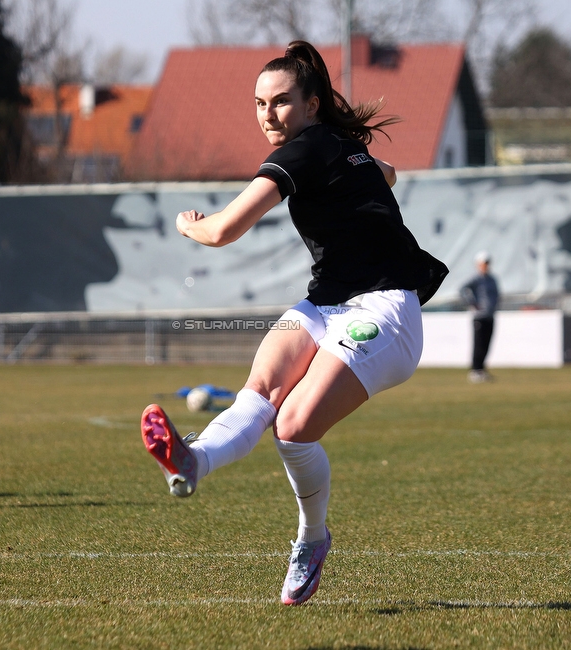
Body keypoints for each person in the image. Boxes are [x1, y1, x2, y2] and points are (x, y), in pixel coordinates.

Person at [140, 40, 448, 606]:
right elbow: (389, 171)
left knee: (294, 427)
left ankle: (312, 538)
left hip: (385, 311)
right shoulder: (341, 145)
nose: (268, 115)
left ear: (311, 105)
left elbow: (224, 230)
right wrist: (366, 174)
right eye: (259, 103)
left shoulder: (303, 153)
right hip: (324, 303)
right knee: (259, 392)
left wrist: (189, 225)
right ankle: (192, 460)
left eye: (281, 102)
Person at [460, 251, 499, 383]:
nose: (486, 266)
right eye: (483, 263)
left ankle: (481, 369)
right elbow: (462, 289)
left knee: (487, 344)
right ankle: (475, 370)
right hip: (479, 316)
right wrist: (471, 303)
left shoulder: (492, 279)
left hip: (490, 316)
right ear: (478, 264)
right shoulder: (476, 279)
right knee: (479, 344)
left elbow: (496, 295)